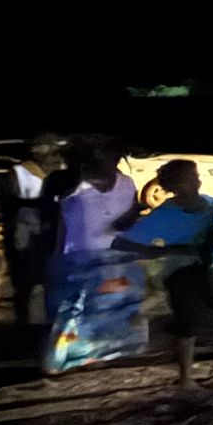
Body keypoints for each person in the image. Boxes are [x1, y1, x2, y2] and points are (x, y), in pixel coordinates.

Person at [113, 159, 213, 388]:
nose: (198, 181)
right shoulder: (164, 214)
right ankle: (186, 378)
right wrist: (167, 249)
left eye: (196, 176)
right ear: (175, 184)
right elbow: (121, 244)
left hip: (211, 270)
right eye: (191, 178)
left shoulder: (210, 203)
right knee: (187, 327)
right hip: (181, 275)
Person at [41, 138, 149, 374]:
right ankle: (58, 360)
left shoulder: (126, 183)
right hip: (74, 257)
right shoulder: (65, 182)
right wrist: (53, 256)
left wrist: (136, 216)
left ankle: (95, 354)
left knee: (105, 308)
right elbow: (51, 219)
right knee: (70, 310)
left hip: (115, 257)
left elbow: (127, 221)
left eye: (106, 154)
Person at [4, 134, 65, 326]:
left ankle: (50, 325)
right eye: (46, 147)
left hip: (52, 234)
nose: (52, 152)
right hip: (27, 236)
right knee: (25, 285)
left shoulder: (61, 170)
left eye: (54, 147)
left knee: (52, 281)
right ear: (34, 149)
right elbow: (9, 204)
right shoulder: (20, 172)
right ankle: (24, 327)